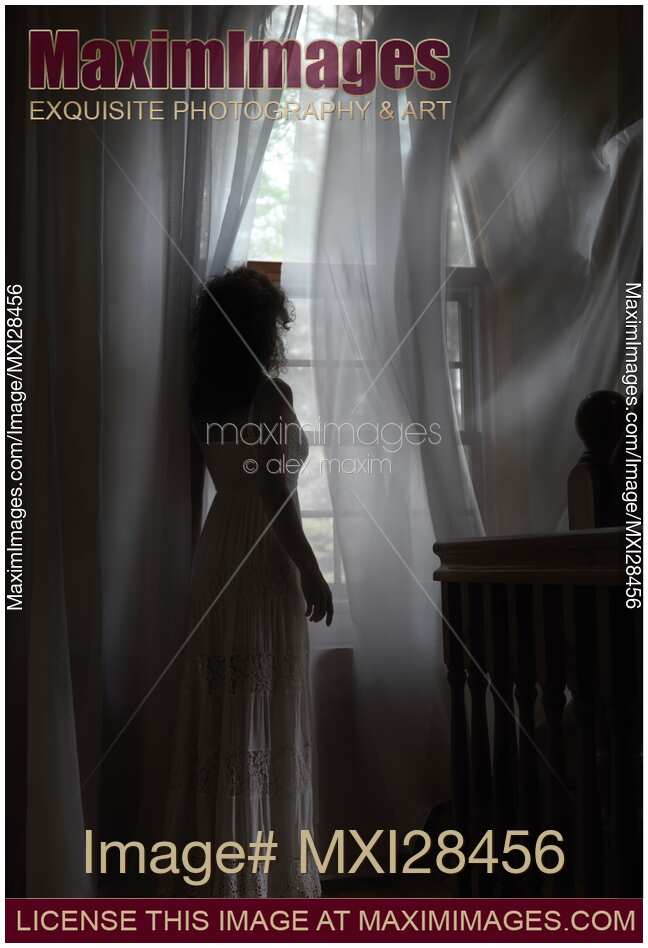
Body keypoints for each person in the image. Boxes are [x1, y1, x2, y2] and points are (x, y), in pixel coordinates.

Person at [164, 266, 332, 897]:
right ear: (262, 330)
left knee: (228, 703)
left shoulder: (203, 397)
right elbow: (276, 493)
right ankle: (259, 882)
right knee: (260, 701)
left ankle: (224, 873)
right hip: (261, 554)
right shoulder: (269, 394)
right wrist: (310, 567)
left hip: (218, 549)